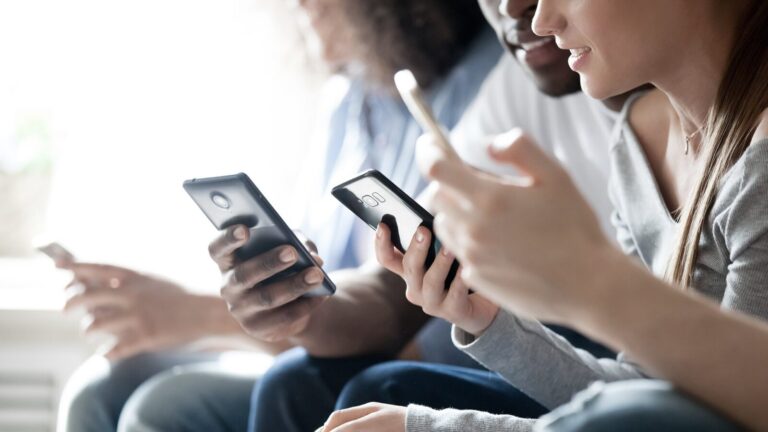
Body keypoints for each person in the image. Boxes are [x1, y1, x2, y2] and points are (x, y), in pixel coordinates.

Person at [321, 0, 768, 430]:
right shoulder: (636, 139)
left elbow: (724, 414)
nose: (541, 20)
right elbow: (646, 394)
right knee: (373, 389)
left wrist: (433, 429)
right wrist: (488, 320)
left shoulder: (759, 162)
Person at [56, 0, 500, 431]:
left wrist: (199, 315)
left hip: (391, 366)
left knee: (169, 406)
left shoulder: (484, 90)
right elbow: (321, 289)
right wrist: (267, 298)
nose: (298, 5)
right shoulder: (349, 100)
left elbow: (405, 337)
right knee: (99, 389)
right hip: (319, 347)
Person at [215, 0, 647, 430]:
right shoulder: (518, 86)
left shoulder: (655, 124)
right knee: (295, 385)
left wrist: (425, 424)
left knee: (381, 390)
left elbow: (659, 402)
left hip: (619, 360)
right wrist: (305, 302)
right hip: (609, 369)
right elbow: (395, 289)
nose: (515, 9)